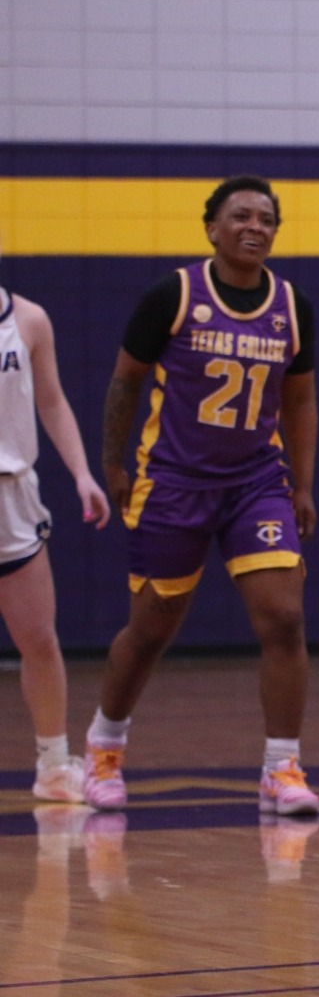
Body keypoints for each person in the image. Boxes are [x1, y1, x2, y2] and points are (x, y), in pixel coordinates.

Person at [85, 176, 319, 818]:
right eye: (240, 215)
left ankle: (282, 767)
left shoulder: (291, 305)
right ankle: (105, 746)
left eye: (267, 219)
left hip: (255, 485)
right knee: (152, 627)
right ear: (212, 227)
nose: (255, 227)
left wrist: (301, 484)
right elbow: (124, 383)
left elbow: (299, 399)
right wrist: (112, 463)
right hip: (174, 482)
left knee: (284, 618)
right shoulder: (174, 294)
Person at [0, 285, 110, 802]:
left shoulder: (30, 319)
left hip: (12, 494)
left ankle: (53, 765)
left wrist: (82, 474)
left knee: (39, 638)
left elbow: (52, 400)